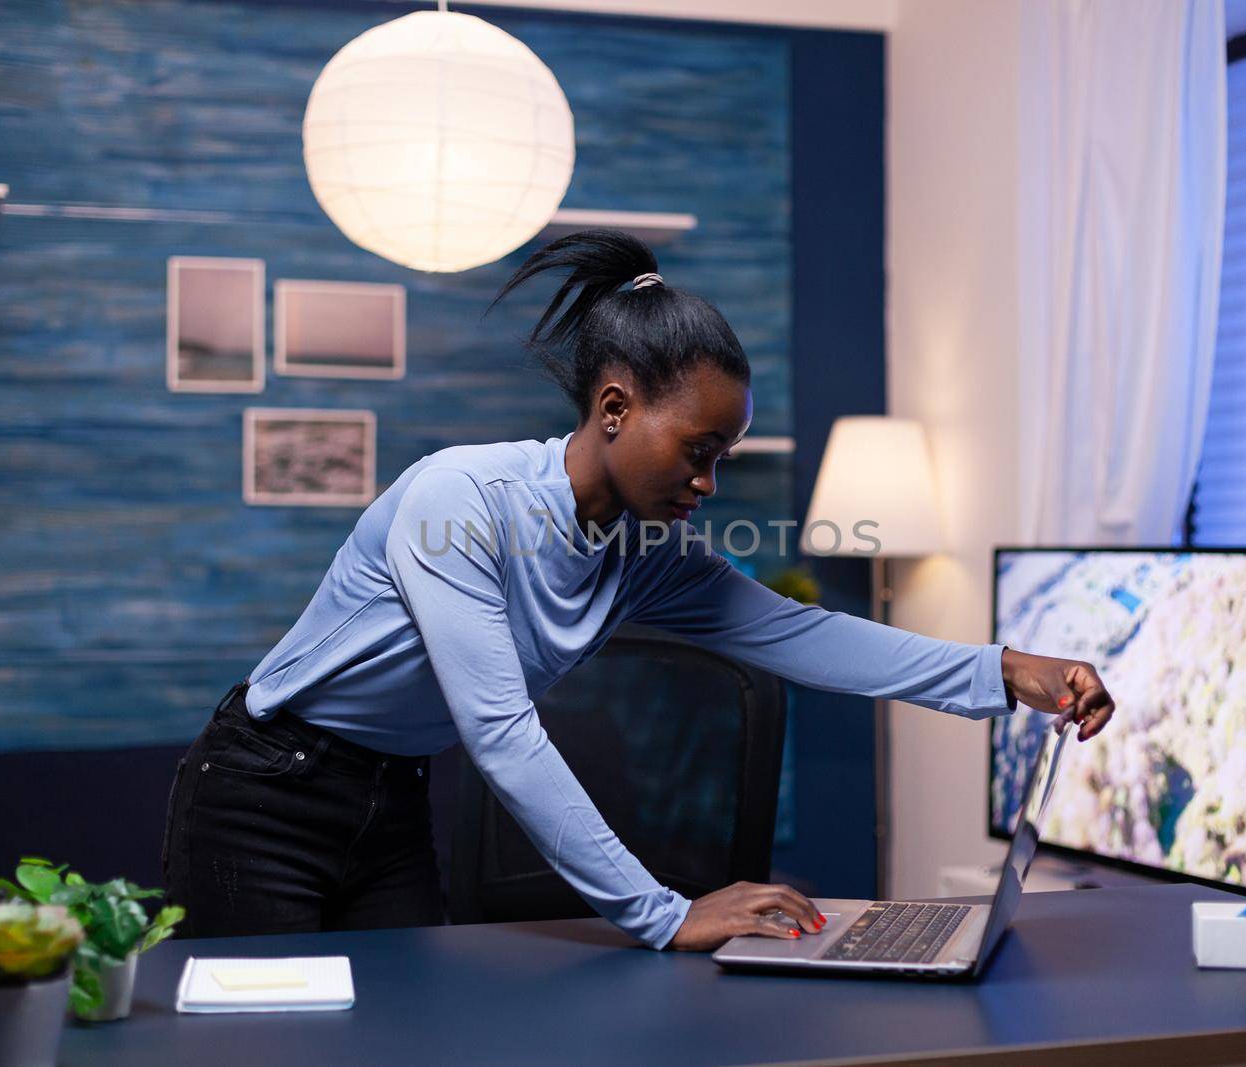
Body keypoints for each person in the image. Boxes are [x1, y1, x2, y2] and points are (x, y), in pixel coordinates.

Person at [160, 229, 1116, 952]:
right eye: (698, 451)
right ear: (614, 408)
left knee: (407, 1036)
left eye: (723, 458)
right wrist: (660, 914)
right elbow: (499, 731)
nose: (709, 483)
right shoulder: (460, 500)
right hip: (263, 791)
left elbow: (805, 635)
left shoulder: (640, 553)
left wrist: (1007, 670)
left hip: (390, 798)